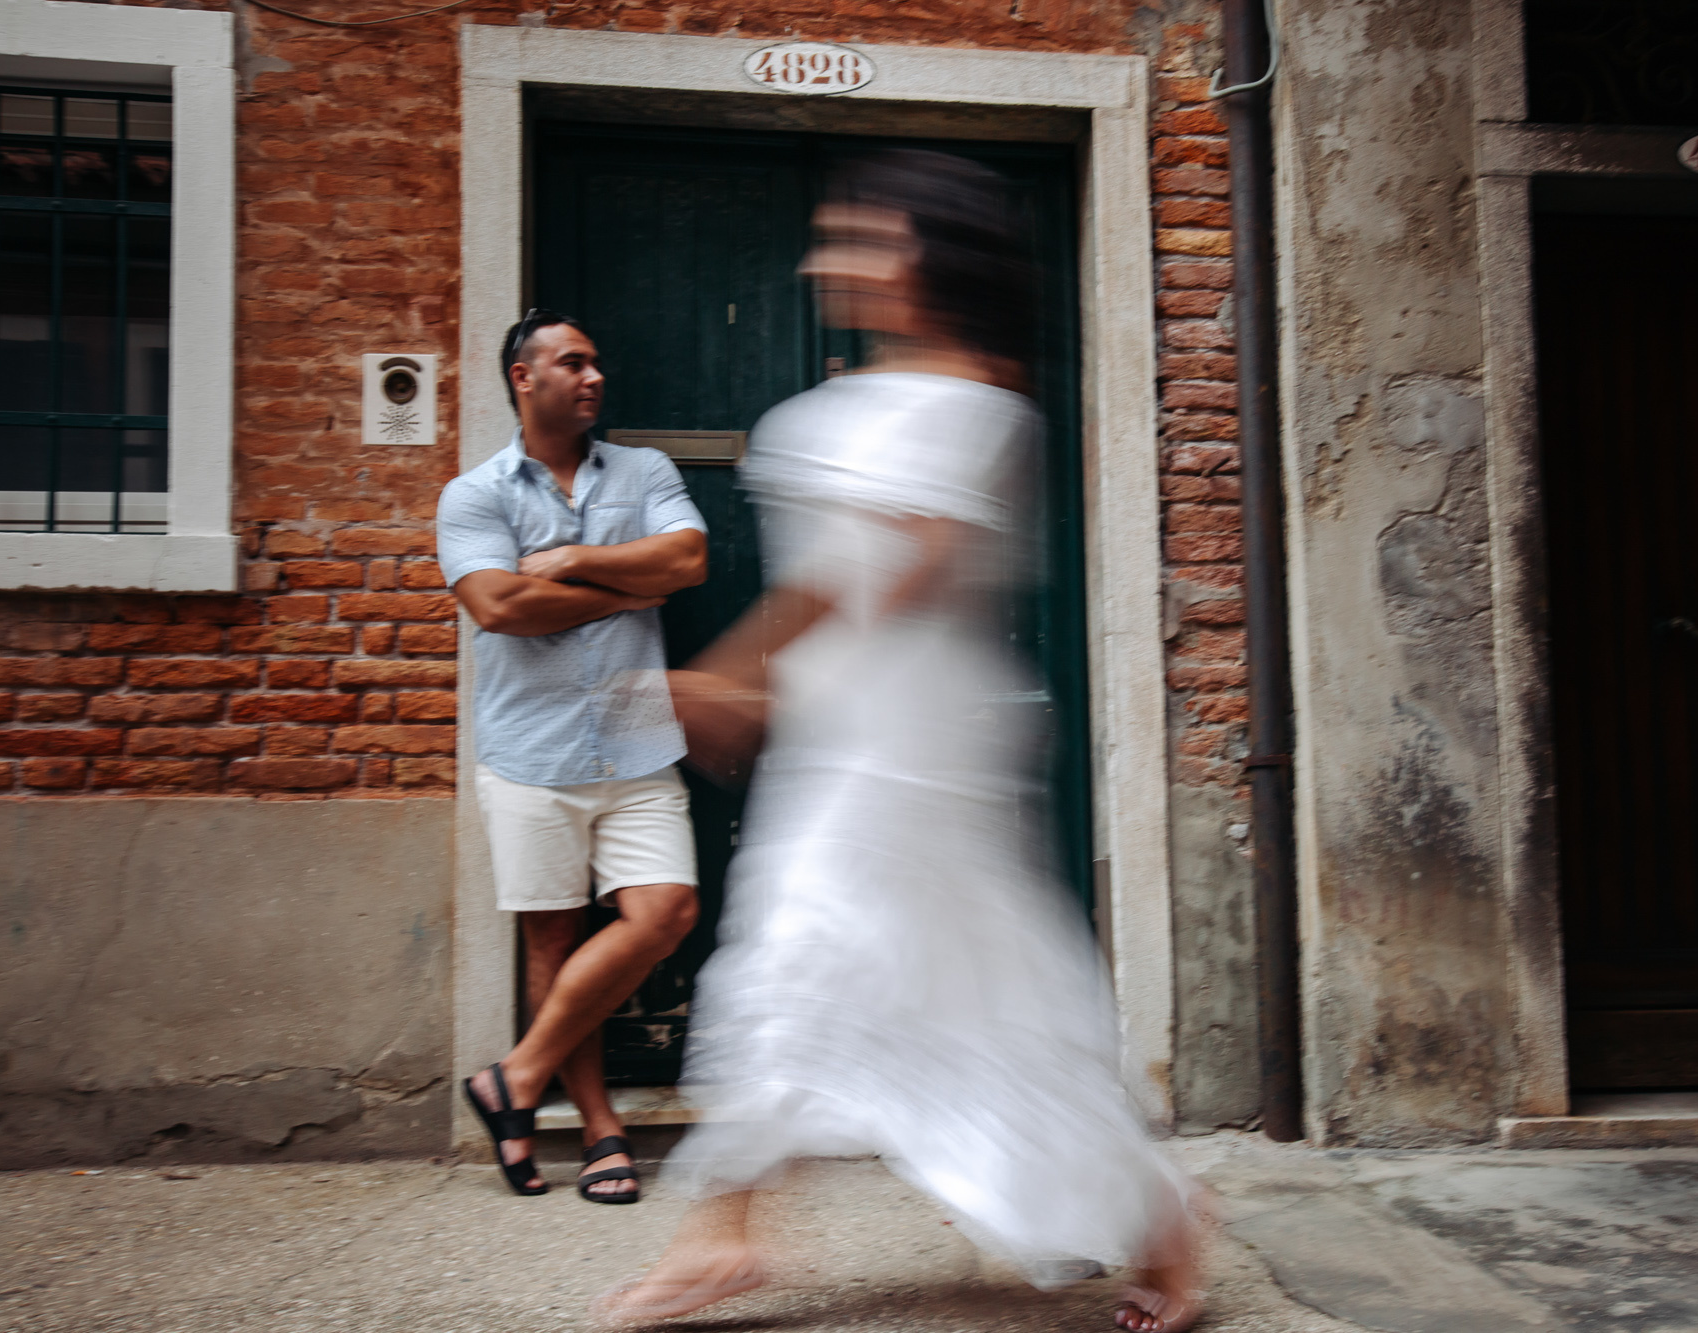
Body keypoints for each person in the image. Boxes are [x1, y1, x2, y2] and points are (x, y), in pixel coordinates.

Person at [591, 152, 1202, 1331]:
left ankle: (731, 1231)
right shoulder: (857, 401)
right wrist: (757, 687)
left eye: (858, 239)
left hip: (920, 741)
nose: (826, 261)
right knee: (864, 964)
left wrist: (730, 675)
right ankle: (730, 1231)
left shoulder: (975, 403)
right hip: (845, 731)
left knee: (835, 952)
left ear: (927, 257)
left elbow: (890, 568)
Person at [436, 311, 709, 1203]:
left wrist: (574, 560)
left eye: (597, 362)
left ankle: (511, 1081)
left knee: (664, 911)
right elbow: (499, 608)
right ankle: (600, 1131)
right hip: (529, 752)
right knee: (555, 937)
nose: (594, 377)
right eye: (573, 362)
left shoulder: (646, 471)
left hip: (636, 739)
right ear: (523, 376)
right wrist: (623, 590)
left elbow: (690, 557)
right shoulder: (474, 495)